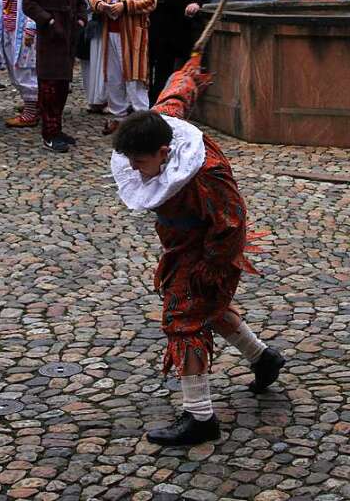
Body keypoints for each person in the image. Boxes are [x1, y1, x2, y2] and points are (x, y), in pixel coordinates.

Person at [110, 57, 285, 447]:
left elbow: (233, 222)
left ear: (163, 151)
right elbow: (175, 96)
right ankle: (263, 358)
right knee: (209, 310)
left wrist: (212, 270)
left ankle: (200, 416)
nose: (136, 172)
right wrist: (189, 69)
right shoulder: (158, 122)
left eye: (141, 163)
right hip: (181, 246)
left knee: (184, 320)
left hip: (210, 252)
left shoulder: (206, 175)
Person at [21, 0, 85, 153]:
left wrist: (80, 18)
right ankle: (49, 133)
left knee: (63, 84)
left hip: (69, 32)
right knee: (48, 85)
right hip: (49, 34)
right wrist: (47, 19)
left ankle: (56, 127)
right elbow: (28, 3)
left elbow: (80, 1)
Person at [88, 0, 157, 135]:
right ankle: (119, 116)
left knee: (135, 76)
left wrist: (125, 6)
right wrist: (101, 5)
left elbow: (151, 1)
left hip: (134, 33)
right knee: (114, 76)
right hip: (110, 32)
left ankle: (142, 119)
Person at [0, 0, 41, 127]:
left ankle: (31, 111)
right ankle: (31, 104)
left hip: (24, 30)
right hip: (9, 27)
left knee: (25, 69)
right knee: (15, 67)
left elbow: (33, 1)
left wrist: (31, 26)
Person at [73, 0, 107, 114]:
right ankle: (92, 97)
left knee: (102, 56)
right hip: (85, 15)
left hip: (102, 15)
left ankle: (103, 97)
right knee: (87, 58)